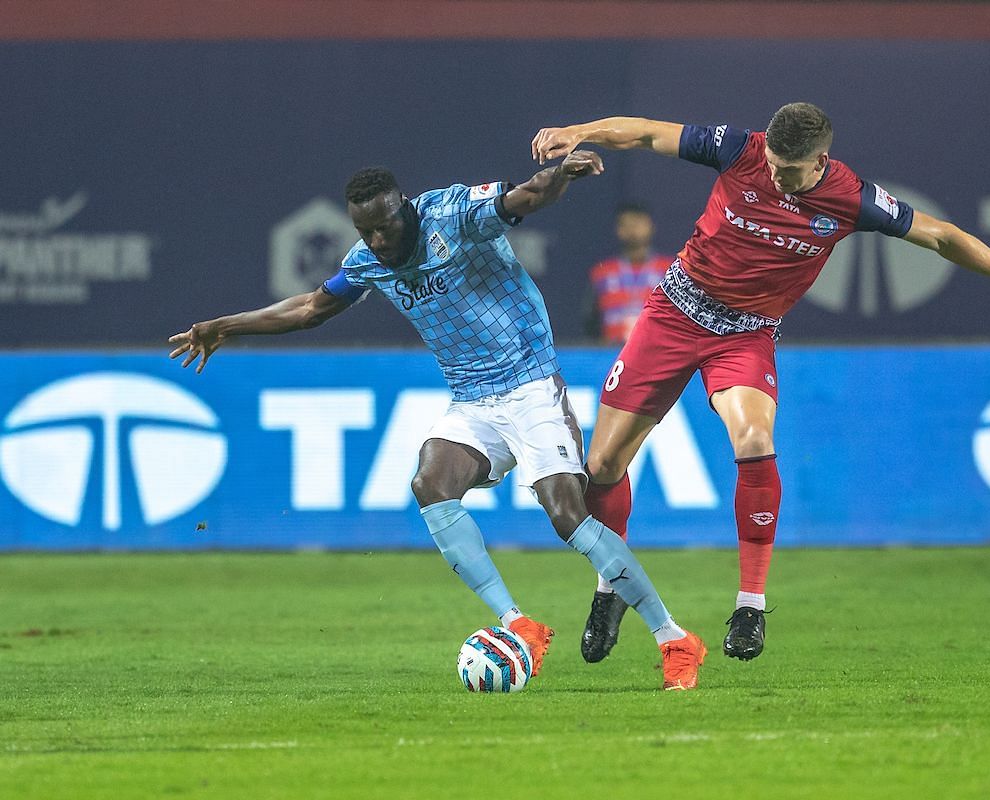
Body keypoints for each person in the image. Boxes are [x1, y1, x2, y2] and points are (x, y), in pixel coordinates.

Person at [532, 103, 990, 663]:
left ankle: (750, 604)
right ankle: (610, 589)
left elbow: (942, 237)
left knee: (754, 440)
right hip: (672, 314)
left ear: (821, 159)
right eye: (772, 163)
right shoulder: (739, 150)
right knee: (601, 467)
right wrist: (580, 130)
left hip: (744, 337)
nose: (776, 177)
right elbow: (649, 133)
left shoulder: (851, 198)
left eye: (789, 171)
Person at [167, 152, 707, 690]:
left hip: (532, 385)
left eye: (384, 226)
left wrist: (561, 175)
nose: (378, 241)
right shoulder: (366, 260)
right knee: (430, 484)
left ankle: (674, 639)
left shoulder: (452, 216)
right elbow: (312, 307)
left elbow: (525, 196)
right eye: (365, 231)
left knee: (568, 515)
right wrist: (227, 325)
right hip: (472, 400)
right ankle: (519, 624)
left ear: (403, 207)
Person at [585, 204, 673, 344]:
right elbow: (589, 321)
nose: (633, 230)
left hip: (658, 352)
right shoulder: (601, 272)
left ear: (651, 226)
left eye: (638, 223)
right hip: (608, 355)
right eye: (626, 224)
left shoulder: (670, 269)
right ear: (617, 230)